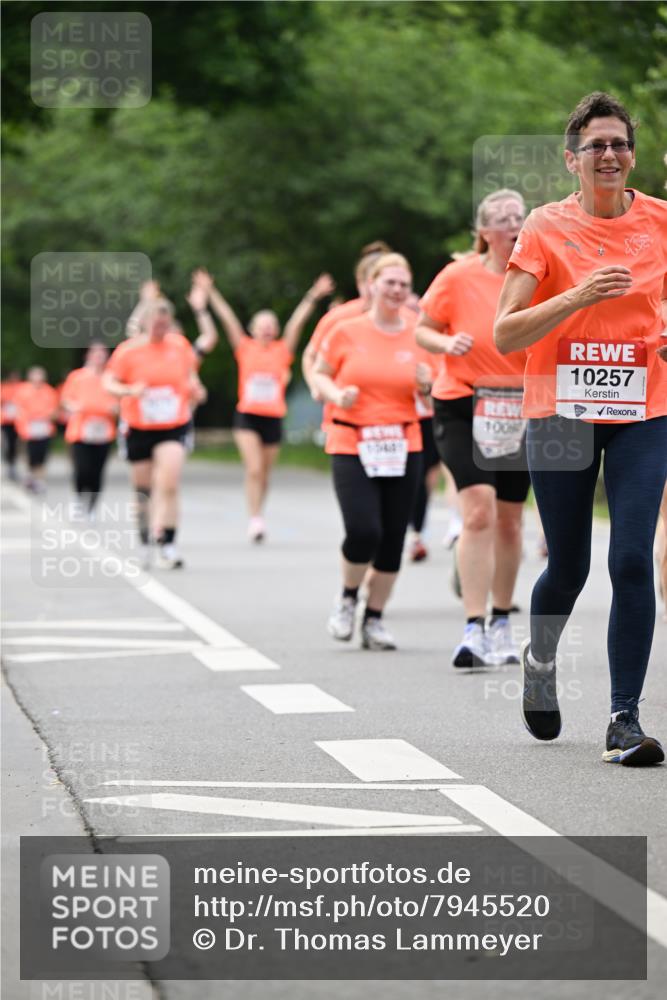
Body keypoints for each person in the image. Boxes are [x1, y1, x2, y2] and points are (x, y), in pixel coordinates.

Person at [494, 91, 667, 766]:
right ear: (571, 159)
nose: (608, 154)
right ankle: (539, 658)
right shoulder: (542, 228)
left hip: (643, 411)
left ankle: (623, 719)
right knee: (567, 565)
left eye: (618, 143)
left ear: (632, 154)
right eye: (594, 145)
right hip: (560, 411)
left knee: (630, 559)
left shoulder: (660, 221)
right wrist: (577, 294)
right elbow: (506, 333)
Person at [416, 190, 531, 667]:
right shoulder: (457, 276)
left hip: (521, 406)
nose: (513, 223)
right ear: (484, 232)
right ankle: (473, 627)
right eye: (503, 218)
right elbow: (421, 328)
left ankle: (503, 621)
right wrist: (446, 341)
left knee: (509, 518)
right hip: (462, 401)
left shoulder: (536, 274)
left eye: (519, 216)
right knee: (478, 510)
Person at [312, 253, 430, 650]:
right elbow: (320, 374)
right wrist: (336, 395)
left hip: (403, 441)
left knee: (393, 537)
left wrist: (429, 384)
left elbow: (433, 393)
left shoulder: (419, 332)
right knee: (364, 530)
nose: (396, 290)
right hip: (351, 439)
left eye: (402, 283)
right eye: (389, 282)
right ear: (373, 285)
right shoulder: (347, 331)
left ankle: (374, 618)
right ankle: (347, 597)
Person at [205, 270, 335, 541]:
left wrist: (313, 295)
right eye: (261, 324)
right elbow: (228, 319)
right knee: (253, 469)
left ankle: (258, 513)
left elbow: (297, 324)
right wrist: (211, 292)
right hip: (247, 417)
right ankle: (254, 518)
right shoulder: (245, 347)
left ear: (275, 330)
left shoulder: (282, 350)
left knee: (264, 473)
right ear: (253, 329)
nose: (266, 328)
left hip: (273, 418)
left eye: (271, 324)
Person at [103, 298, 205, 569]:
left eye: (165, 324)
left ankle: (168, 543)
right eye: (156, 323)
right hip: (139, 426)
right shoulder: (128, 351)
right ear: (145, 322)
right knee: (143, 490)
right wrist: (128, 391)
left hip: (173, 425)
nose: (160, 329)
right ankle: (144, 541)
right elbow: (109, 381)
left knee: (170, 482)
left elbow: (190, 374)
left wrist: (196, 388)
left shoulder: (179, 346)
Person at [302, 241, 391, 398]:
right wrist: (317, 388)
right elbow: (310, 355)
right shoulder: (339, 317)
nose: (376, 289)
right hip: (344, 408)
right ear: (360, 282)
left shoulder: (406, 319)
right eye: (371, 282)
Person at [60, 343, 118, 515]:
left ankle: (92, 506)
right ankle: (78, 499)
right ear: (88, 355)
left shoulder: (111, 378)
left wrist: (116, 408)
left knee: (97, 471)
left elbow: (120, 400)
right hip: (81, 430)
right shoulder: (77, 377)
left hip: (104, 430)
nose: (99, 356)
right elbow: (66, 399)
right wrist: (73, 406)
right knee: (82, 469)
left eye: (103, 353)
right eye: (96, 353)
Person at [13, 367, 59, 494]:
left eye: (40, 376)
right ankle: (29, 475)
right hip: (28, 429)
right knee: (29, 454)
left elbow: (55, 411)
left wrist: (48, 415)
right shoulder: (23, 391)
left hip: (44, 429)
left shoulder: (50, 391)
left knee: (42, 456)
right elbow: (18, 409)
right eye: (35, 376)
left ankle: (39, 480)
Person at [1, 370, 22, 481]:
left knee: (16, 443)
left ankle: (14, 463)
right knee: (8, 442)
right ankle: (9, 463)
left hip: (19, 421)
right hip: (6, 420)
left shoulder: (22, 387)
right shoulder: (4, 387)